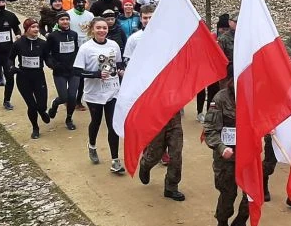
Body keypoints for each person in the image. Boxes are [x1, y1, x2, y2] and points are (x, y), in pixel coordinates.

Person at [203, 64, 253, 226]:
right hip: (227, 155)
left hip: (249, 154)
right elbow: (210, 130)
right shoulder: (220, 99)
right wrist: (221, 148)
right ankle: (222, 224)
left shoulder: (253, 96)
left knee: (252, 192)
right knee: (228, 192)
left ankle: (240, 222)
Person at [73, 17, 125, 173]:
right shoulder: (86, 48)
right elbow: (77, 71)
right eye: (99, 28)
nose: (102, 30)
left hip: (112, 90)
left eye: (104, 28)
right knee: (95, 122)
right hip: (94, 93)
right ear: (92, 29)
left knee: (112, 125)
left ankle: (115, 161)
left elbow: (118, 63)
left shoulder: (113, 45)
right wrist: (95, 74)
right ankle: (92, 145)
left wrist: (122, 71)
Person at [10, 18, 51, 138]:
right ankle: (35, 128)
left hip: (38, 76)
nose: (36, 29)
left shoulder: (43, 43)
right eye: (33, 27)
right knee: (32, 106)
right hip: (23, 77)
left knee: (42, 105)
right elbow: (10, 58)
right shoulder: (18, 43)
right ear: (26, 29)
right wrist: (12, 67)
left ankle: (42, 112)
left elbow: (47, 57)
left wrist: (52, 64)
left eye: (37, 27)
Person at [137, 110, 186, 201]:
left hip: (174, 122)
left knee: (176, 156)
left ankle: (171, 187)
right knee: (155, 154)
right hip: (156, 121)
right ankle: (145, 164)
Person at [45, 11, 80, 130]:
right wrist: (52, 65)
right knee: (64, 97)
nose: (65, 22)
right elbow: (47, 54)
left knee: (72, 97)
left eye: (67, 19)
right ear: (57, 22)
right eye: (62, 20)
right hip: (60, 71)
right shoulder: (52, 36)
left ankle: (69, 118)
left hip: (73, 71)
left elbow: (76, 50)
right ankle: (55, 104)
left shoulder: (74, 34)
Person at [196, 13, 230, 122]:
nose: (223, 31)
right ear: (218, 28)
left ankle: (210, 114)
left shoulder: (229, 39)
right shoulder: (211, 37)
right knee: (201, 90)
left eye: (226, 29)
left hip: (217, 71)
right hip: (205, 67)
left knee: (213, 92)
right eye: (221, 28)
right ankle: (199, 112)